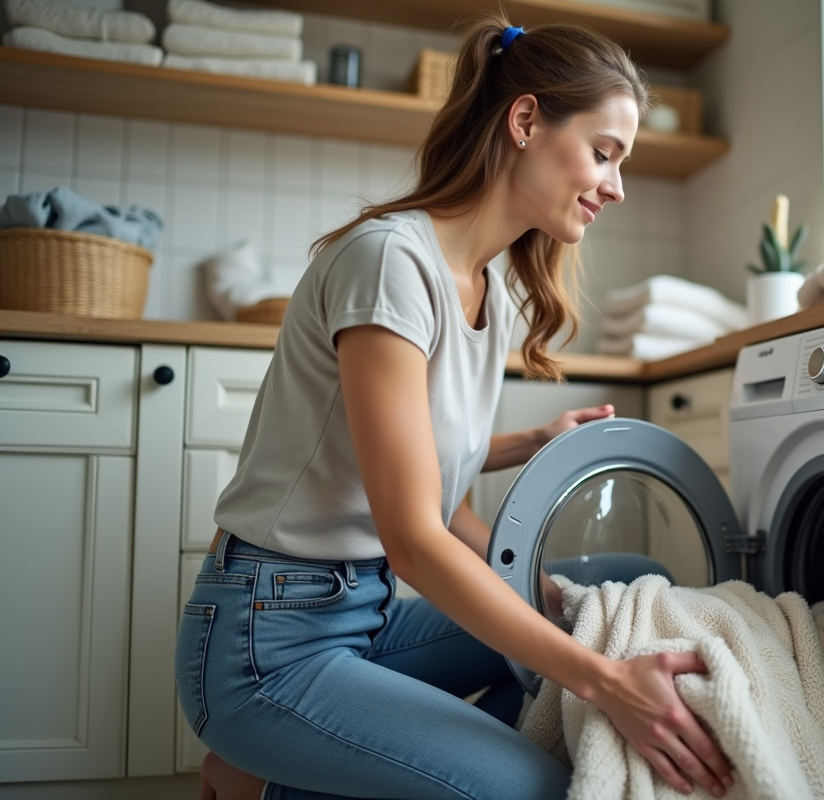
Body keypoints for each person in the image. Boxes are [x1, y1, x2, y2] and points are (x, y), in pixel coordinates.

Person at [176, 13, 735, 800]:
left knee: (615, 586)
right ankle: (266, 775)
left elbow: (444, 499)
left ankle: (296, 780)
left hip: (365, 618)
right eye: (604, 153)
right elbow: (414, 537)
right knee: (533, 785)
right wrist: (604, 679)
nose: (615, 185)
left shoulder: (491, 297)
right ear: (526, 120)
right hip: (269, 644)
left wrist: (541, 587)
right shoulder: (390, 263)